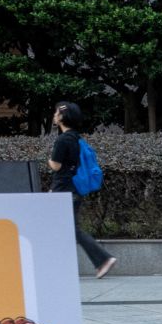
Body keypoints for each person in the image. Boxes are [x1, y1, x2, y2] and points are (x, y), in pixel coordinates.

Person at [44, 102, 115, 279]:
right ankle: (61, 266)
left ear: (63, 117)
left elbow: (56, 166)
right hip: (73, 188)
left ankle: (103, 259)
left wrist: (49, 161)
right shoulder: (76, 138)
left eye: (56, 113)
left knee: (68, 228)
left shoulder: (63, 140)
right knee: (63, 228)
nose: (54, 115)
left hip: (63, 189)